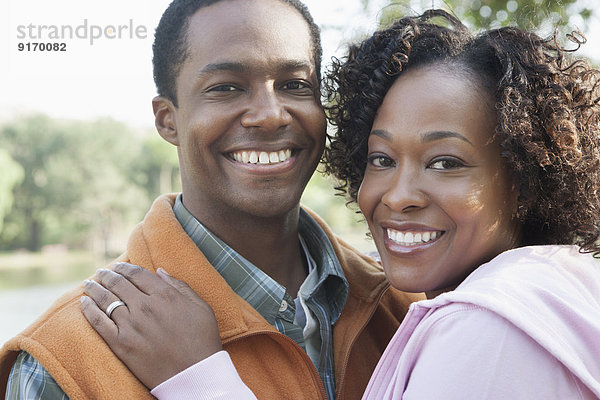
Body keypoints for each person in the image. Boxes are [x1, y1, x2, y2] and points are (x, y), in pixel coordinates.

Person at [79, 8, 600, 399]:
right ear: (166, 117)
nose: (397, 194)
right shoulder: (74, 351)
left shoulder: (490, 325)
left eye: (445, 162)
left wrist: (200, 380)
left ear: (528, 175)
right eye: (380, 158)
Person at [0, 0, 422, 399]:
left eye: (295, 84)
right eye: (226, 88)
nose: (271, 113)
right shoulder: (65, 362)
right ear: (168, 120)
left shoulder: (406, 305)